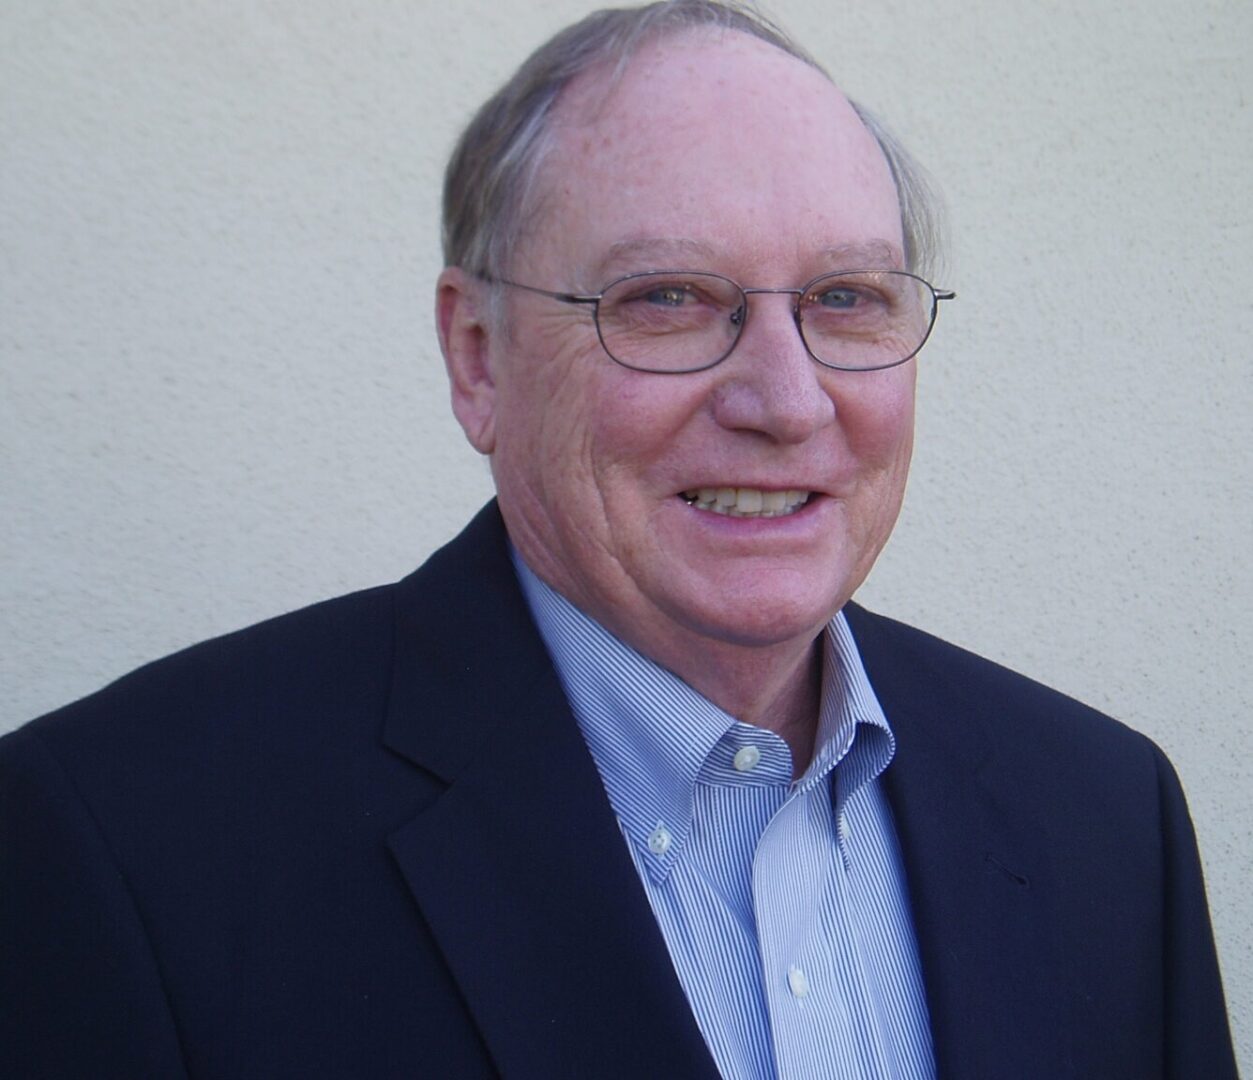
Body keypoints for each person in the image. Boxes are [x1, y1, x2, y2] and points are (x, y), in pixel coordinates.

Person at [1, 2, 1237, 1077]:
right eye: (666, 299)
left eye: (845, 301)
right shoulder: (123, 849)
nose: (785, 399)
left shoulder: (1102, 819)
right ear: (477, 356)